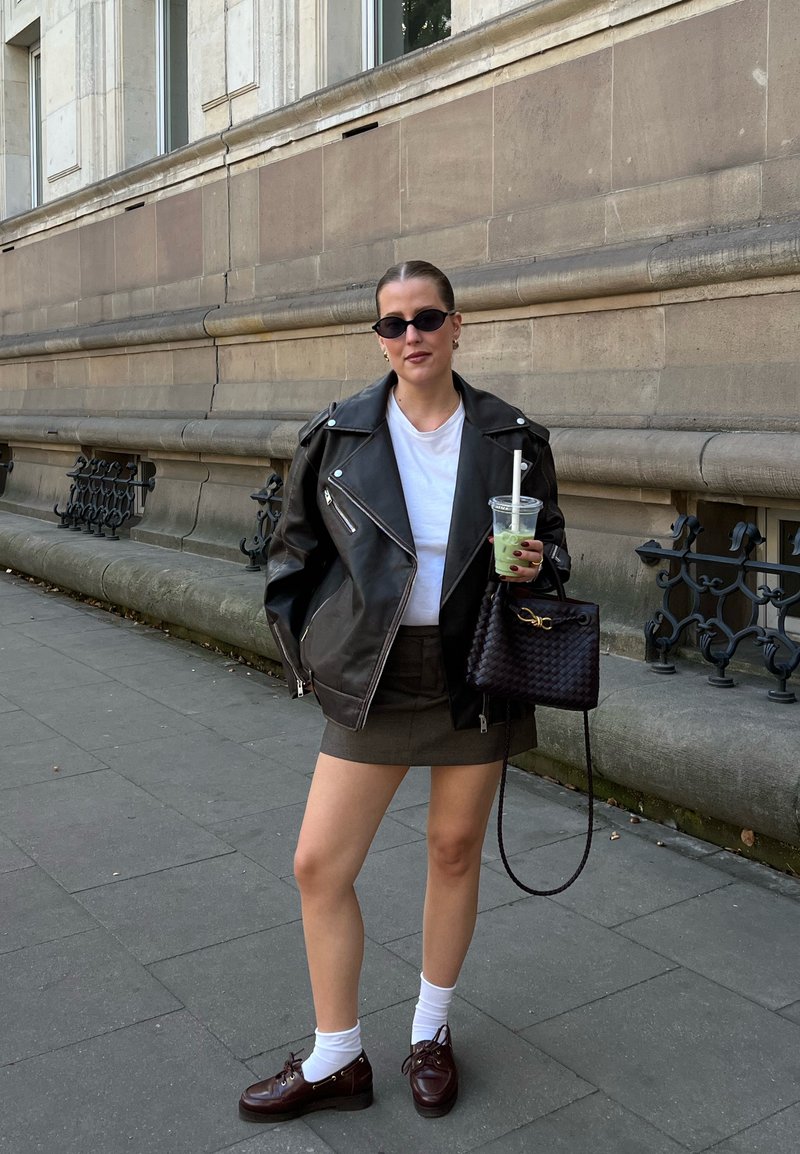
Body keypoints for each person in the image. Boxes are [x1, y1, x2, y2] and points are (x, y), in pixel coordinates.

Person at [239, 261, 569, 1123]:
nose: (411, 336)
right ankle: (338, 1057)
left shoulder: (512, 437)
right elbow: (292, 558)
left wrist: (538, 567)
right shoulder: (340, 434)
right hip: (375, 675)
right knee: (319, 864)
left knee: (454, 849)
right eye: (394, 323)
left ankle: (430, 1032)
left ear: (459, 326)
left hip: (473, 670)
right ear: (378, 337)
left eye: (428, 318)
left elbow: (554, 552)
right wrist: (312, 652)